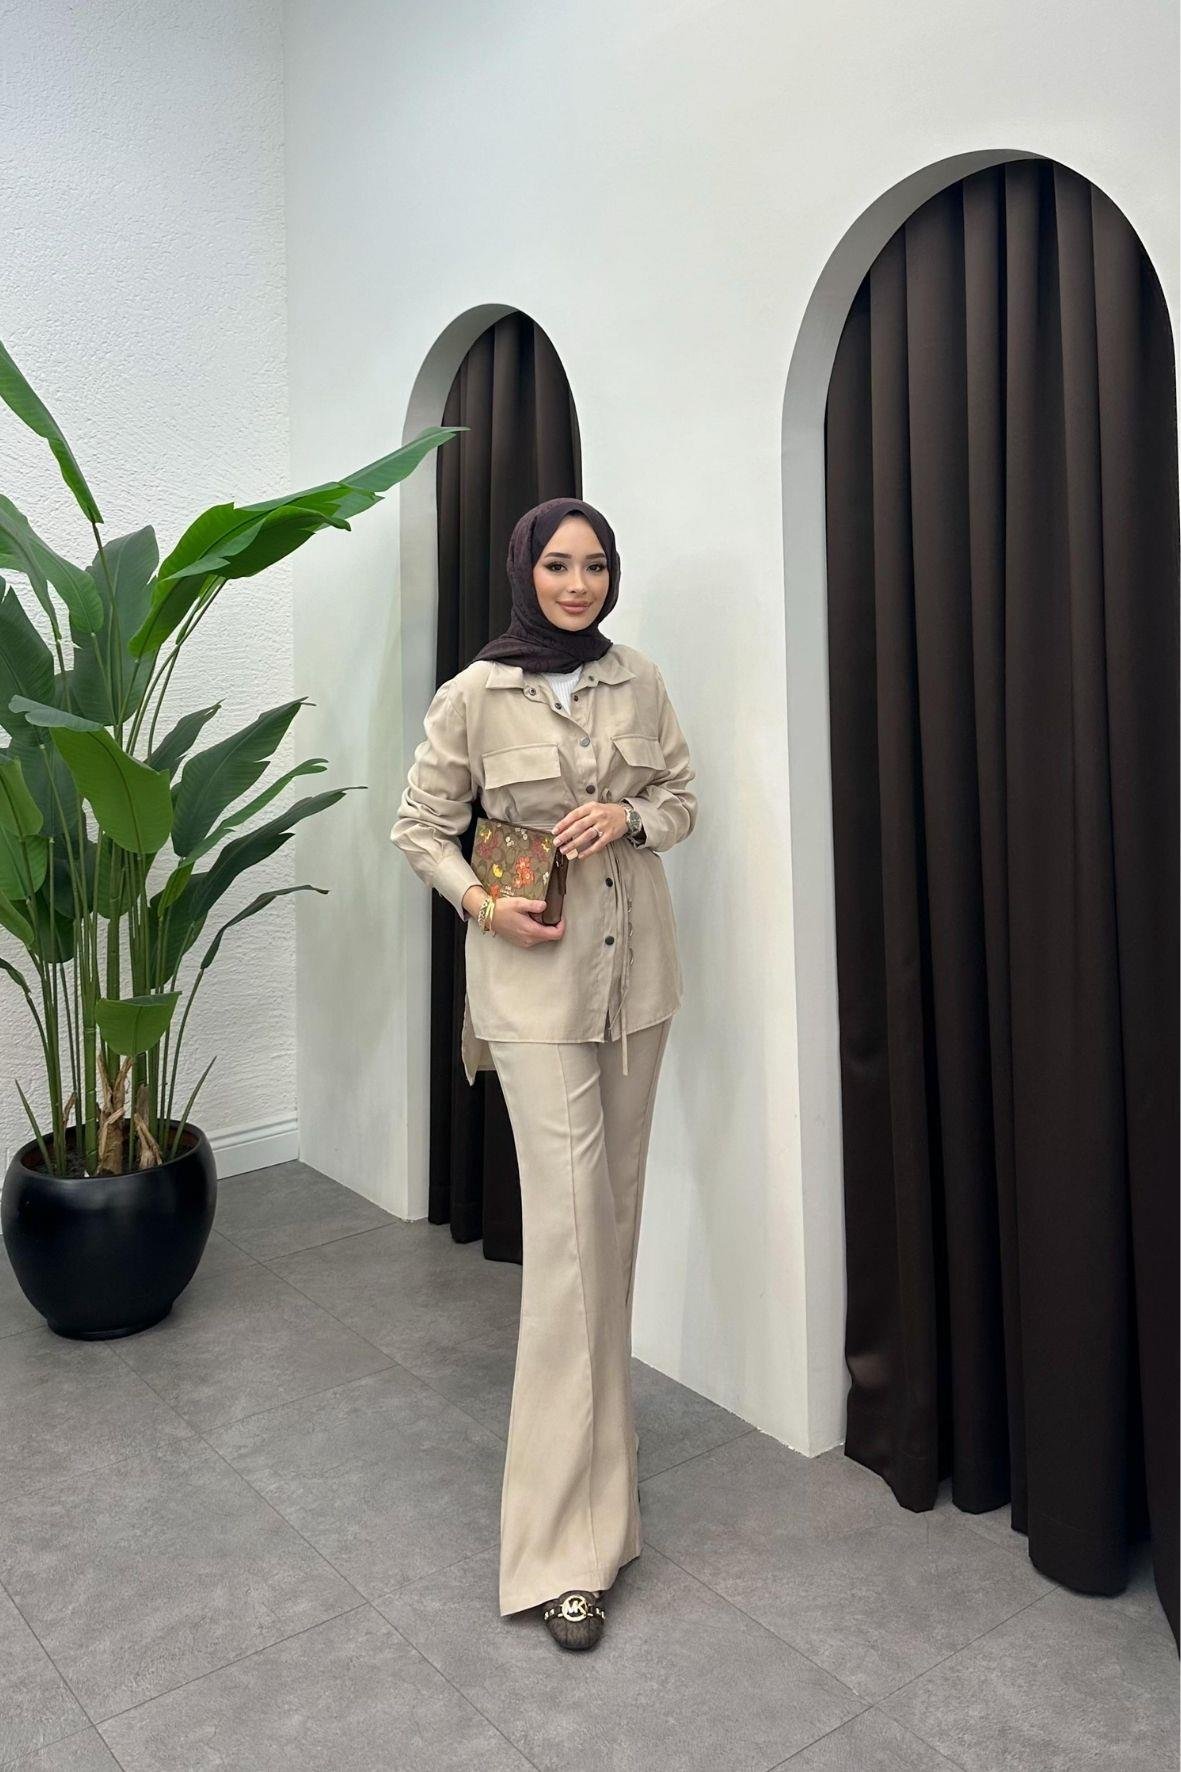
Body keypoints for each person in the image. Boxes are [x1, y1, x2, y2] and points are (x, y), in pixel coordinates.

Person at [389, 496, 697, 1651]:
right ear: (525, 570)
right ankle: (565, 1551)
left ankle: (601, 1478)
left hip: (636, 982)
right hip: (530, 990)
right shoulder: (474, 694)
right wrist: (482, 901)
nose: (578, 583)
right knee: (569, 1247)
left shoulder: (639, 678)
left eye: (595, 564)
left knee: (609, 1233)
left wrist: (628, 814)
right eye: (559, 564)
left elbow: (681, 799)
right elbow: (419, 826)